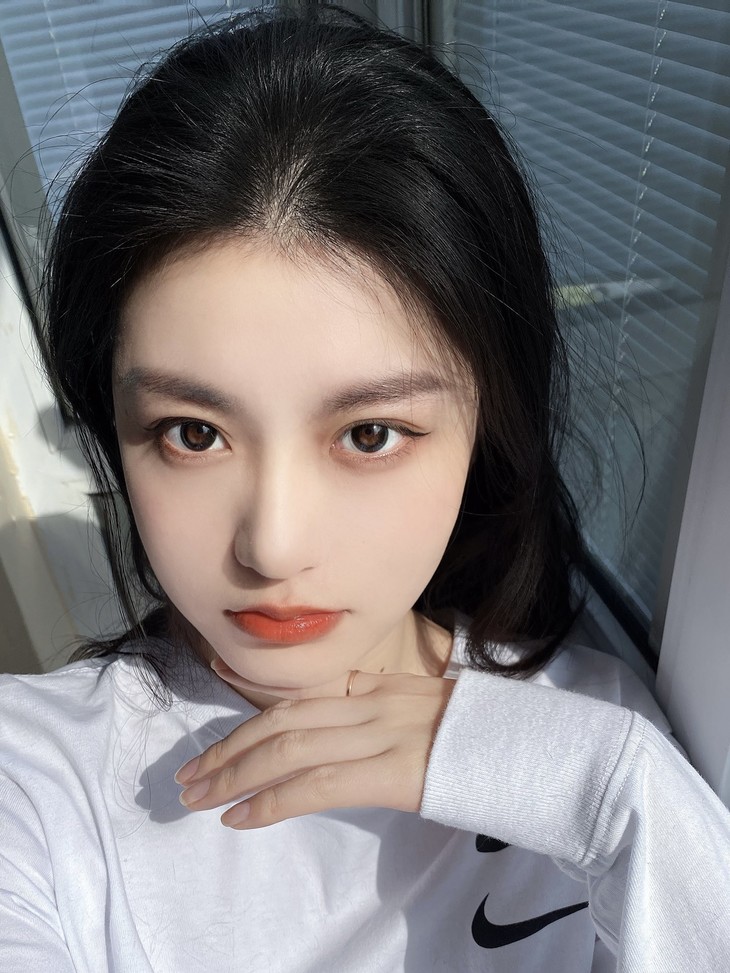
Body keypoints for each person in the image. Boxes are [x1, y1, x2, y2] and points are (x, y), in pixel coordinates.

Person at [1, 5, 729, 971]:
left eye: (369, 434)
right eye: (194, 433)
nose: (274, 544)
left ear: (485, 422)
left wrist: (606, 792)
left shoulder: (593, 733)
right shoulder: (32, 776)